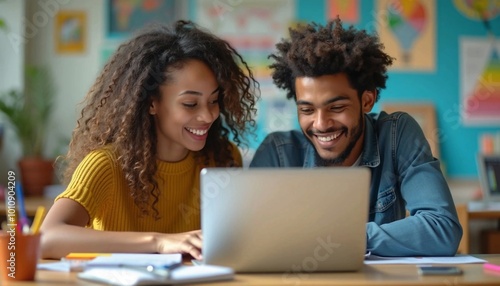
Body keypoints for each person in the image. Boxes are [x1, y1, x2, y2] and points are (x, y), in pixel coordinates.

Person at [40, 20, 259, 259]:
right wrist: (158, 242)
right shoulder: (106, 165)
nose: (207, 115)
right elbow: (47, 238)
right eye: (190, 104)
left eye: (214, 101)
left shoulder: (223, 158)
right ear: (152, 103)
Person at [250, 17, 462, 256]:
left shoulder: (396, 135)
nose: (320, 124)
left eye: (336, 107)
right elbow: (247, 235)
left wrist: (343, 238)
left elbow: (442, 228)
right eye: (307, 110)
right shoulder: (278, 153)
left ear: (367, 100)